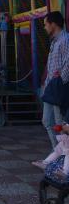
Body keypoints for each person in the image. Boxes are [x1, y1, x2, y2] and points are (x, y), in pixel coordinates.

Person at [41, 11, 69, 149]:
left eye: (46, 24)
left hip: (58, 87)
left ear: (53, 24)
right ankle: (57, 150)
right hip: (51, 88)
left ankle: (64, 154)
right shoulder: (54, 42)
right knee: (47, 121)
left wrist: (61, 81)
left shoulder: (65, 39)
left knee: (60, 122)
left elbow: (68, 63)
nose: (45, 27)